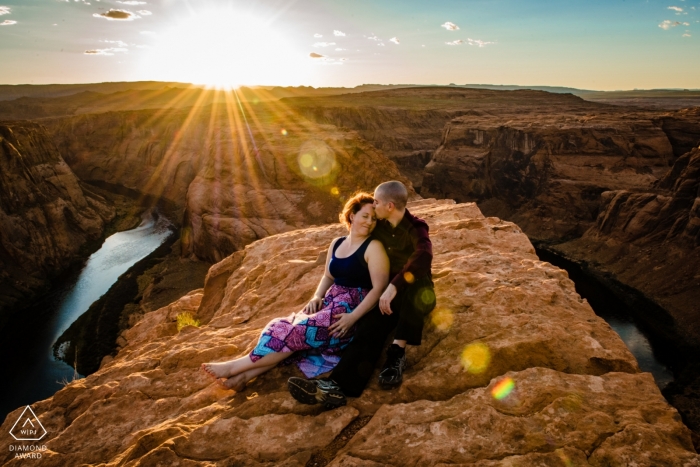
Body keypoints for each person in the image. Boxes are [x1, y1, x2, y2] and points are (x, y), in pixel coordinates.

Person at [201, 193, 389, 401]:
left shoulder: (374, 247)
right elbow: (328, 275)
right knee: (281, 326)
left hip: (346, 313)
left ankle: (235, 366)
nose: (370, 222)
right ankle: (244, 377)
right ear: (352, 215)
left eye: (373, 219)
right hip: (328, 303)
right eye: (365, 216)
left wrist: (352, 317)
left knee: (296, 333)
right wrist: (316, 296)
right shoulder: (337, 243)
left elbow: (378, 288)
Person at [288, 180, 436, 409]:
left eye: (375, 202)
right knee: (369, 327)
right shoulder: (382, 227)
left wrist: (394, 285)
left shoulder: (417, 227)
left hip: (417, 294)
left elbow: (423, 256)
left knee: (416, 287)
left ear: (389, 206)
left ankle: (397, 354)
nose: (372, 207)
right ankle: (337, 388)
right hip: (389, 297)